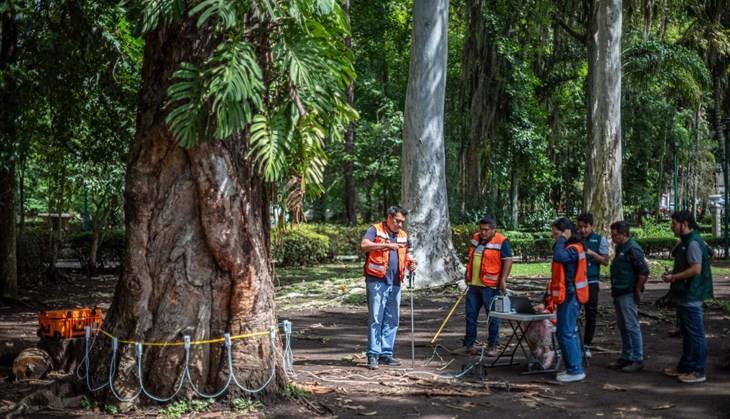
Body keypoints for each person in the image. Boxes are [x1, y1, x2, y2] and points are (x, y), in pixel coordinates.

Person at [360, 206, 416, 370]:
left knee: (392, 319)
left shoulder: (403, 236)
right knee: (376, 318)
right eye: (397, 220)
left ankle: (386, 353)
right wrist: (385, 246)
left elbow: (408, 254)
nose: (399, 224)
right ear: (389, 217)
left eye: (402, 222)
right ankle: (373, 354)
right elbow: (364, 245)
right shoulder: (375, 230)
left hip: (396, 282)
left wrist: (411, 264)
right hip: (377, 280)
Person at [661, 210, 713, 383]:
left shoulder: (693, 243)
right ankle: (686, 365)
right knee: (688, 333)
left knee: (695, 334)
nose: (672, 227)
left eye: (674, 224)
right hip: (685, 294)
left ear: (684, 224)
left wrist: (675, 277)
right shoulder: (688, 241)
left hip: (692, 294)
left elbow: (696, 269)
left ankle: (698, 371)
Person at [456, 215, 513, 356]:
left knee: (492, 316)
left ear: (494, 229)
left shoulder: (502, 241)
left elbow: (508, 261)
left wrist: (503, 280)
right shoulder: (476, 239)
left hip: (491, 286)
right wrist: (467, 274)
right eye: (481, 229)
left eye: (486, 230)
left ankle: (493, 345)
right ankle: (469, 344)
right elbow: (472, 257)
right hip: (474, 284)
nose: (483, 233)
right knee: (470, 315)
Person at [548, 218, 589, 382]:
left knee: (567, 332)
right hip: (568, 294)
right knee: (565, 331)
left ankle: (575, 369)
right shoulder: (573, 248)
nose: (555, 237)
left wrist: (563, 238)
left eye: (556, 233)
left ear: (565, 232)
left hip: (572, 295)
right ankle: (574, 367)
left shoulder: (573, 249)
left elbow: (559, 256)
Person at [607, 221, 649, 373]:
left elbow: (643, 271)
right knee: (623, 326)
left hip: (628, 292)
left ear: (624, 234)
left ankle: (637, 358)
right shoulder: (620, 248)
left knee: (632, 326)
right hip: (619, 291)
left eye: (615, 235)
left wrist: (637, 289)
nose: (613, 238)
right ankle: (627, 355)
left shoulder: (633, 249)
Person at [577, 213, 609, 358]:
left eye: (586, 227)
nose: (583, 230)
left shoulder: (600, 239)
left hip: (591, 282)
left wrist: (591, 253)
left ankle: (587, 345)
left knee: (591, 314)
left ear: (591, 226)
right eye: (580, 227)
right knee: (574, 314)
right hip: (576, 283)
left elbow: (605, 261)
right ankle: (575, 344)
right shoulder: (575, 239)